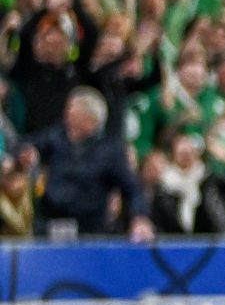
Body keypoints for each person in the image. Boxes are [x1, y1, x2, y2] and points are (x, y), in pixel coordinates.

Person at [30, 88, 150, 240]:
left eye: (73, 114)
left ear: (90, 121)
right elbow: (27, 145)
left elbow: (133, 188)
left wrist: (139, 217)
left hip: (90, 229)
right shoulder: (55, 137)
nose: (67, 116)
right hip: (49, 223)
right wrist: (25, 153)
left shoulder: (110, 150)